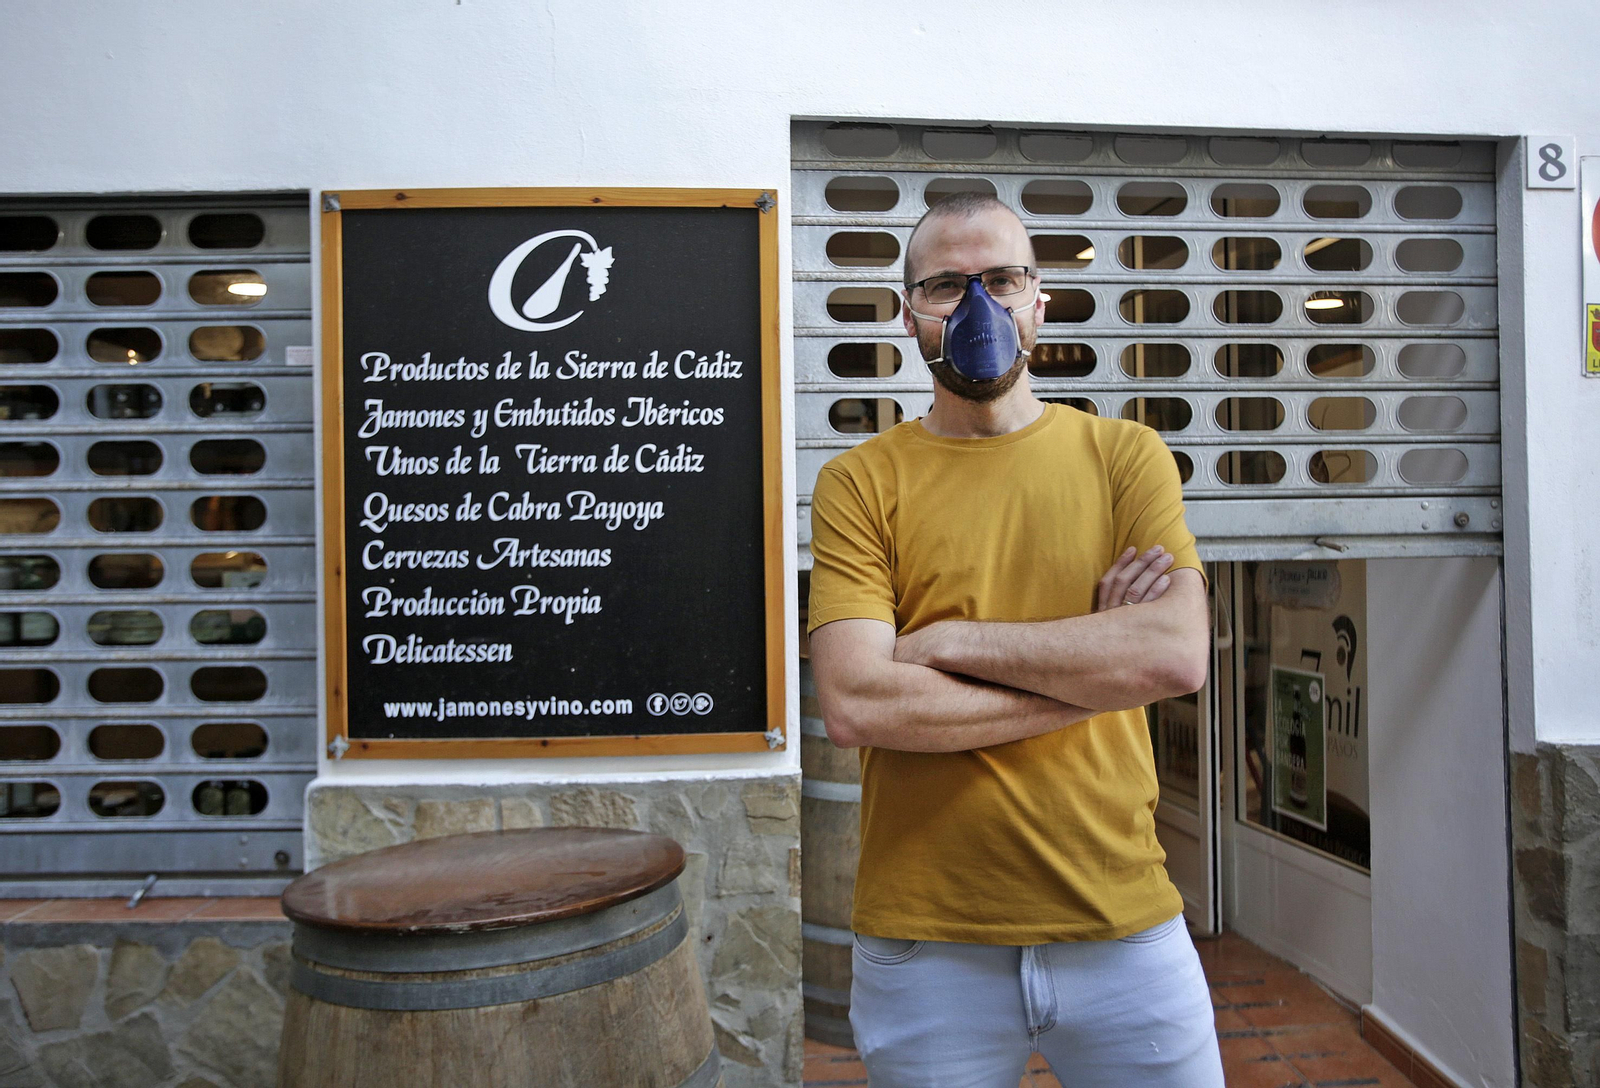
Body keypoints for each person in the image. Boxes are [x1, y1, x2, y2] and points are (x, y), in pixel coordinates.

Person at [807, 191, 1224, 1087]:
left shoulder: (1126, 456)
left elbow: (1177, 656)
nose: (979, 308)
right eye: (947, 286)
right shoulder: (858, 483)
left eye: (1000, 278)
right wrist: (1097, 668)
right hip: (927, 945)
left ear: (1041, 299)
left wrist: (947, 642)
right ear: (907, 314)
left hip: (1124, 924)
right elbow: (854, 701)